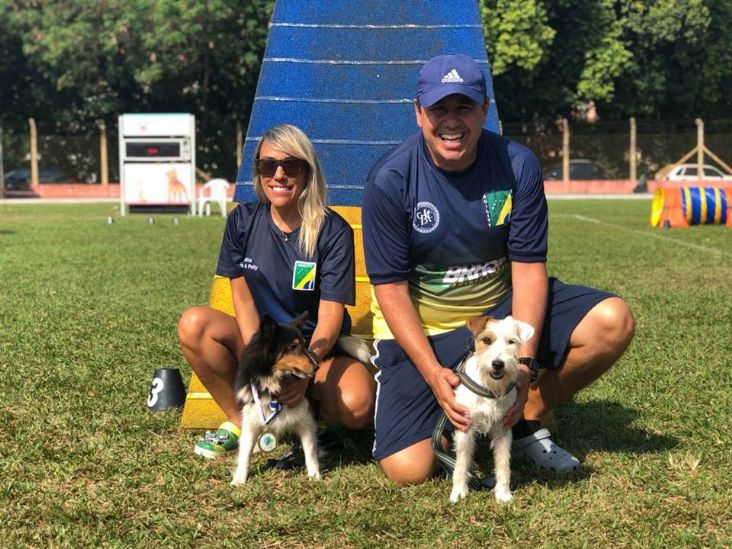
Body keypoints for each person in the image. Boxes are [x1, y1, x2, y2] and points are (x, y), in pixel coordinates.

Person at [362, 54, 635, 484]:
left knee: (611, 321)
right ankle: (466, 414)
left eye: (464, 107)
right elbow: (391, 290)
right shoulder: (389, 180)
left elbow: (529, 269)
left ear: (484, 110)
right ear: (418, 113)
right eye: (439, 109)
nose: (452, 121)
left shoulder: (517, 164)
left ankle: (522, 414)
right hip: (426, 332)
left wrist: (523, 368)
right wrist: (435, 375)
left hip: (498, 316)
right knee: (408, 470)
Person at [179, 124, 375, 459]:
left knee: (357, 405)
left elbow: (330, 316)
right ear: (258, 172)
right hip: (263, 345)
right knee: (194, 324)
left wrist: (304, 366)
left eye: (291, 166)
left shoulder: (333, 231)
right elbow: (243, 300)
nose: (279, 175)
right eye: (268, 166)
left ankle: (319, 424)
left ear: (307, 172)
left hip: (316, 350)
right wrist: (263, 363)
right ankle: (244, 423)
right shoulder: (242, 222)